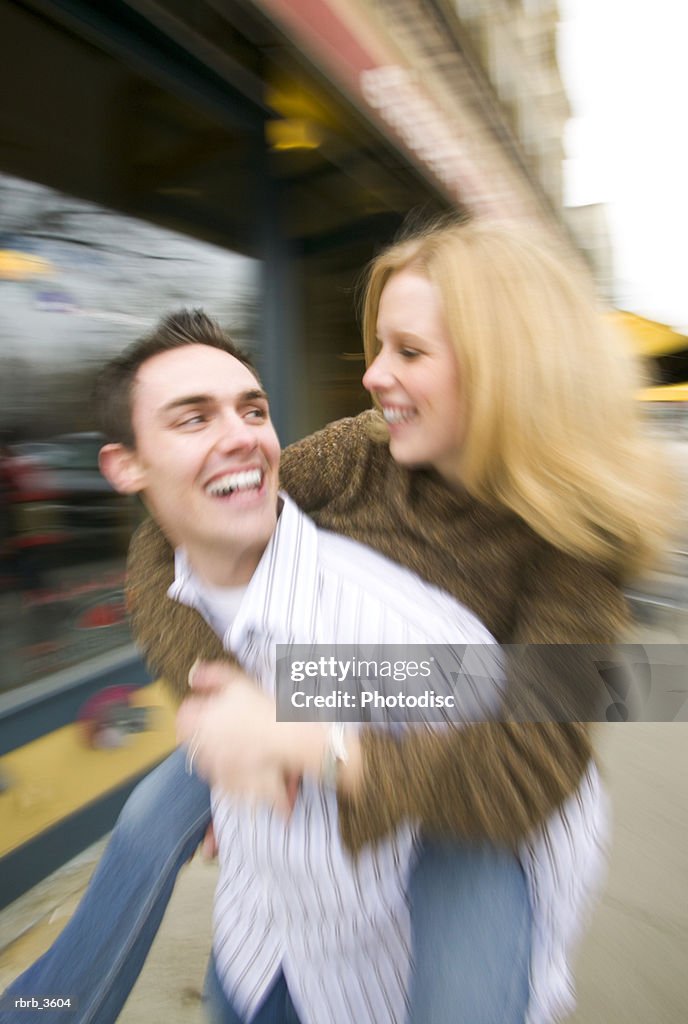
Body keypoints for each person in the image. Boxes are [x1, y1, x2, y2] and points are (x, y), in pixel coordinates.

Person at [2, 221, 670, 1023]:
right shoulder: (365, 450)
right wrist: (228, 705)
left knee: (467, 943)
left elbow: (524, 769)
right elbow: (167, 533)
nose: (375, 375)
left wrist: (292, 735)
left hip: (470, 761)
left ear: (504, 370)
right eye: (377, 345)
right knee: (152, 818)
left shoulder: (574, 545)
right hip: (324, 685)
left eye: (409, 352)